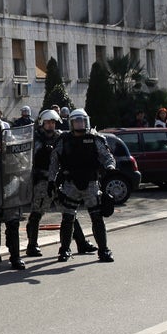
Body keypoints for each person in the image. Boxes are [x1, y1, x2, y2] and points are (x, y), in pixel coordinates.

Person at [25, 109, 98, 257]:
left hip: (59, 181)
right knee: (36, 213)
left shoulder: (61, 136)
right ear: (42, 123)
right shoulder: (36, 138)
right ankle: (32, 245)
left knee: (69, 213)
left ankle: (81, 243)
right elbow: (33, 154)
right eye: (48, 122)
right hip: (42, 182)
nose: (51, 125)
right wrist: (44, 150)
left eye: (53, 122)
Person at [48, 108, 116, 263]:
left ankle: (104, 250)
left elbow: (107, 156)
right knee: (68, 218)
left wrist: (110, 167)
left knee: (97, 217)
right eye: (77, 121)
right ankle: (64, 250)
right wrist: (51, 181)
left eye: (82, 121)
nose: (80, 124)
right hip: (70, 184)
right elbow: (54, 162)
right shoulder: (64, 140)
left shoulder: (95, 138)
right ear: (71, 123)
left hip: (91, 183)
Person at [0, 116, 27, 271]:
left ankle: (15, 257)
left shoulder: (12, 147)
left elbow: (23, 166)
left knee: (13, 224)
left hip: (11, 190)